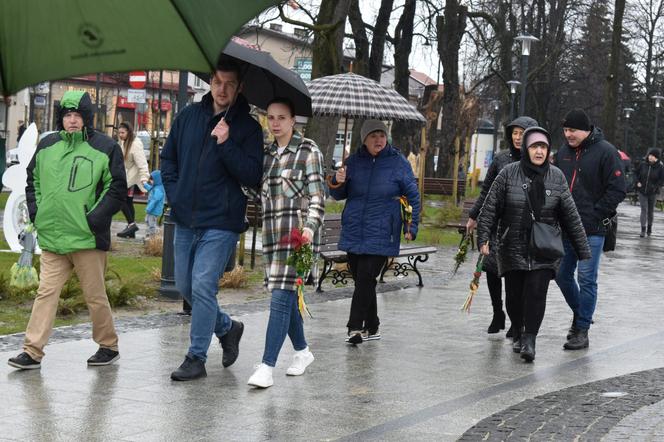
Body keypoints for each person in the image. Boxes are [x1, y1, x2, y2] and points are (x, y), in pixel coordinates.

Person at [160, 56, 263, 381]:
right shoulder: (188, 117)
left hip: (221, 221)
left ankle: (196, 357)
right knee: (186, 286)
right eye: (218, 82)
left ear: (239, 87)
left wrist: (227, 142)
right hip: (185, 217)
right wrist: (175, 194)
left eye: (230, 84)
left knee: (203, 284)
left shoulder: (247, 128)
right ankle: (227, 328)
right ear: (210, 82)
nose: (222, 89)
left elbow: (252, 174)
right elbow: (168, 159)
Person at [8, 91, 126, 370]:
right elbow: (32, 181)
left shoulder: (106, 147)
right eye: (67, 115)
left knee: (94, 296)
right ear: (61, 118)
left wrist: (94, 219)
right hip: (53, 237)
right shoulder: (47, 145)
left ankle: (108, 345)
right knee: (46, 294)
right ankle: (32, 350)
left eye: (77, 116)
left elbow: (117, 188)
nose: (72, 121)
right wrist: (37, 213)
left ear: (87, 118)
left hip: (86, 237)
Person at [477, 127, 590, 362]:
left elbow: (570, 215)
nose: (539, 151)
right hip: (512, 245)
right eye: (534, 146)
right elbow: (490, 208)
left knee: (537, 293)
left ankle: (530, 339)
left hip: (544, 248)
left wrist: (582, 249)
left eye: (543, 147)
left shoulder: (556, 176)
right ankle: (518, 329)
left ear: (548, 150)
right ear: (526, 148)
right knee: (514, 297)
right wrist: (484, 238)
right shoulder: (508, 173)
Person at [247, 98, 325, 389]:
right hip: (271, 238)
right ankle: (303, 352)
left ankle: (267, 366)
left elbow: (318, 196)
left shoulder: (308, 151)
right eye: (271, 117)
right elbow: (257, 194)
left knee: (280, 298)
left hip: (298, 239)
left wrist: (309, 227)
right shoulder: (266, 155)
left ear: (294, 120)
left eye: (282, 117)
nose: (275, 123)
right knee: (287, 298)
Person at [329, 120, 420, 345]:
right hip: (354, 229)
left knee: (366, 276)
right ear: (364, 139)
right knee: (364, 279)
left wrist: (411, 225)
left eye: (382, 135)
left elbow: (413, 196)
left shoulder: (398, 163)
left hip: (383, 230)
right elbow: (339, 195)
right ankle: (373, 325)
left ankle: (354, 327)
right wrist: (336, 180)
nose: (378, 139)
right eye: (373, 136)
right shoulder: (353, 162)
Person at [554, 109, 626, 350]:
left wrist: (596, 214)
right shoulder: (562, 152)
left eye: (572, 130)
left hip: (592, 229)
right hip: (565, 228)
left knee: (586, 279)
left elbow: (618, 189)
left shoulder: (606, 151)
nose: (568, 134)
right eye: (565, 130)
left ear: (586, 130)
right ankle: (581, 313)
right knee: (561, 275)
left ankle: (582, 330)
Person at [466, 116, 538, 336]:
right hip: (497, 225)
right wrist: (474, 215)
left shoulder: (536, 160)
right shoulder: (500, 159)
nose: (517, 137)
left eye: (522, 133)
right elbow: (487, 190)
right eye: (514, 133)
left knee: (515, 275)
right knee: (491, 270)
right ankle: (498, 313)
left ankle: (517, 319)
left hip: (520, 226)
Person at [116, 121, 149, 239]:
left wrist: (145, 177)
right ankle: (132, 230)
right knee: (128, 202)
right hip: (127, 176)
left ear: (129, 132)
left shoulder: (135, 144)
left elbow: (142, 162)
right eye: (119, 132)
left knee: (119, 199)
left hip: (132, 177)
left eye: (122, 132)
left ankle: (132, 225)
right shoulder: (124, 142)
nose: (120, 135)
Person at [635, 148, 664, 237]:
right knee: (644, 209)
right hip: (642, 191)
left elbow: (662, 180)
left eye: (653, 156)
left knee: (650, 211)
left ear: (656, 158)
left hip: (653, 192)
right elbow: (636, 173)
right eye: (649, 155)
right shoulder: (643, 164)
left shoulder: (660, 167)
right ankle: (643, 230)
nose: (650, 157)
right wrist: (637, 182)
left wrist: (655, 187)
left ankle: (649, 228)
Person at [142, 170, 165, 238]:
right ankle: (149, 234)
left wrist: (149, 208)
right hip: (151, 210)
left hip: (154, 210)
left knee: (151, 223)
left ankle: (152, 236)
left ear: (157, 180)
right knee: (147, 220)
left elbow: (155, 200)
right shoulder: (156, 187)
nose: (150, 181)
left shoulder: (159, 189)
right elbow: (150, 189)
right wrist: (145, 185)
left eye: (152, 179)